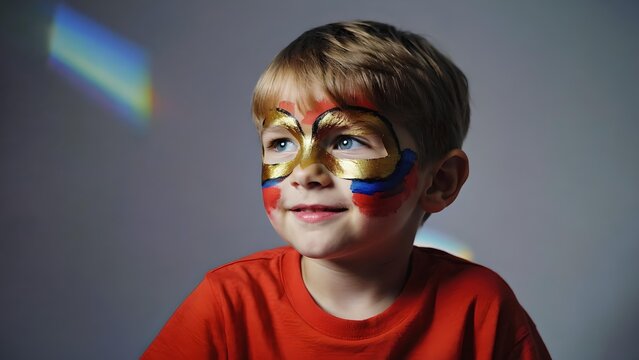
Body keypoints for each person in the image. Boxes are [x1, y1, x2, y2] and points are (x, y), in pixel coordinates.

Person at [142, 20, 551, 359]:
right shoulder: (228, 303)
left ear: (440, 182)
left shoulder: (480, 308)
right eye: (281, 143)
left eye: (345, 141)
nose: (305, 172)